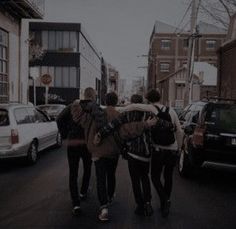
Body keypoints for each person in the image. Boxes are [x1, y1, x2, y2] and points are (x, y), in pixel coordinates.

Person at [71, 88, 157, 222]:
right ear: (116, 102)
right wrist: (145, 124)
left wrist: (80, 101)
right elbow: (126, 131)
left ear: (105, 101)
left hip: (97, 151)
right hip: (113, 152)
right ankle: (110, 197)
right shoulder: (119, 115)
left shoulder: (94, 113)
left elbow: (78, 117)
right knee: (111, 175)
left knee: (100, 178)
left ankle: (104, 208)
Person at [146, 89, 183, 218]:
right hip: (171, 148)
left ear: (148, 99)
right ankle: (165, 204)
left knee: (155, 177)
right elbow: (179, 130)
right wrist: (178, 147)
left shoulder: (149, 110)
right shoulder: (171, 111)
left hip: (158, 149)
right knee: (168, 177)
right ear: (160, 97)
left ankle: (164, 199)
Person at [57, 102, 92, 216]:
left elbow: (59, 119)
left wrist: (65, 134)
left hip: (73, 142)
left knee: (73, 173)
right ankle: (83, 192)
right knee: (87, 168)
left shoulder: (70, 107)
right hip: (86, 143)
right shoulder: (90, 107)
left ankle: (76, 204)